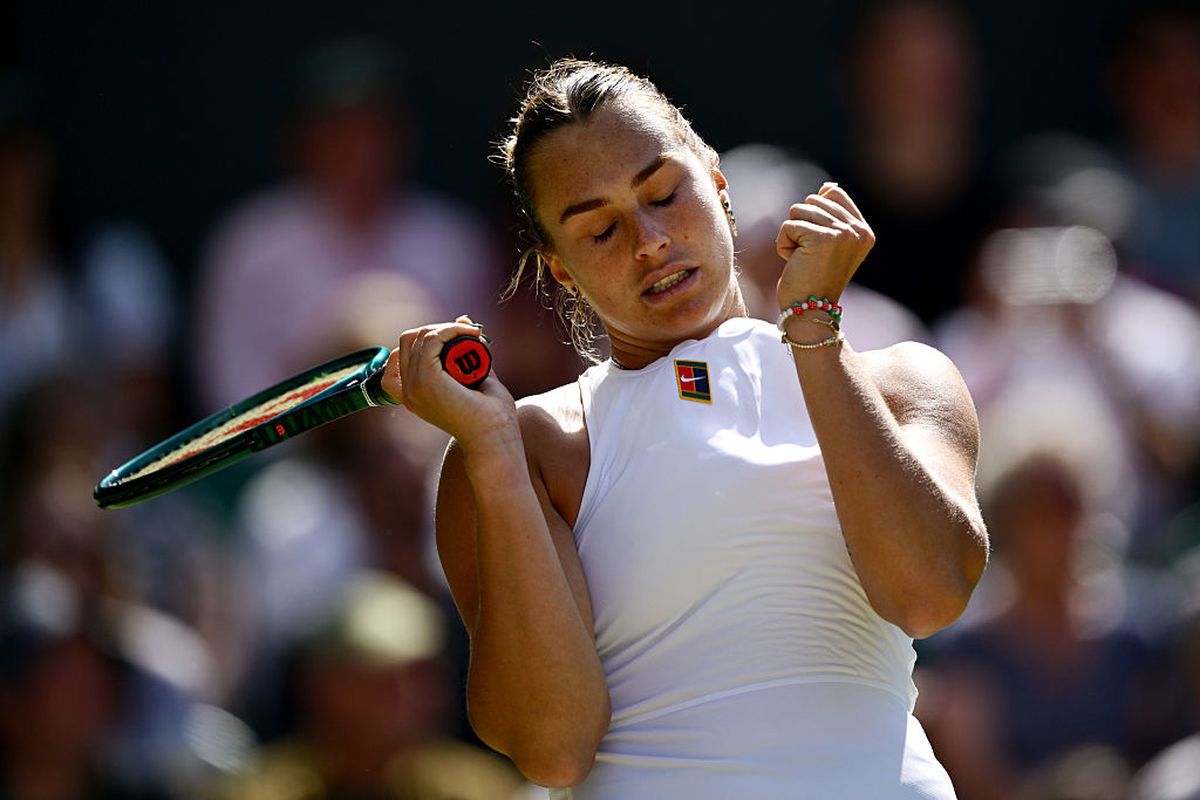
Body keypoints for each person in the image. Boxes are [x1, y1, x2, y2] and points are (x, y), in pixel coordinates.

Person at [380, 59, 989, 798]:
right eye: (601, 230)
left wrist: (812, 330)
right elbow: (553, 748)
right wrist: (494, 454)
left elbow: (927, 595)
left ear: (718, 182)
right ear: (561, 270)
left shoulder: (902, 380)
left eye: (665, 194)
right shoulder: (527, 447)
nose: (649, 241)